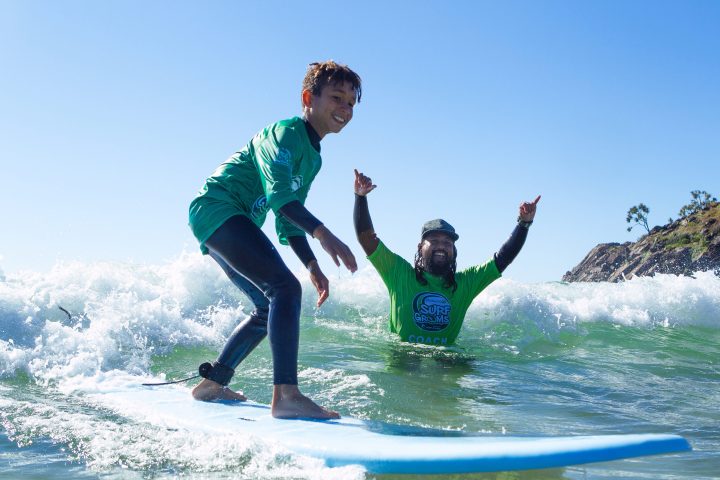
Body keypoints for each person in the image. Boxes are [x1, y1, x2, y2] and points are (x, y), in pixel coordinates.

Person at [187, 61, 362, 419]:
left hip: (227, 220)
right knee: (284, 289)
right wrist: (325, 234)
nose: (344, 109)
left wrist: (312, 265)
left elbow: (287, 217)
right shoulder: (283, 134)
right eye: (336, 98)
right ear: (307, 98)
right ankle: (286, 396)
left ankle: (212, 384)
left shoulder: (312, 157)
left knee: (269, 304)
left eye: (351, 103)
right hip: (218, 209)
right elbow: (282, 198)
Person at [353, 169, 540, 346]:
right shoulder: (399, 274)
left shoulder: (465, 284)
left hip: (446, 360)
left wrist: (524, 224)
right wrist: (360, 197)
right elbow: (367, 240)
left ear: (454, 250)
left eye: (448, 242)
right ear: (420, 247)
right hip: (403, 359)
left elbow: (503, 259)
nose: (441, 245)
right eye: (433, 240)